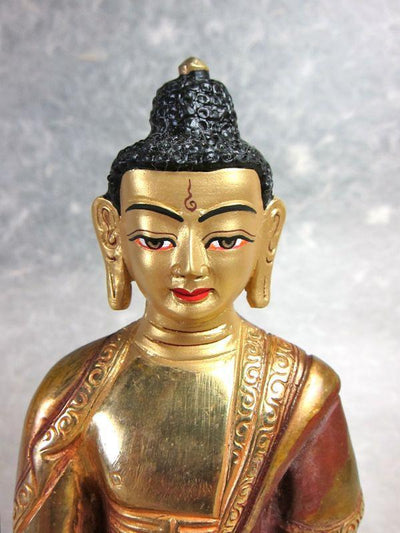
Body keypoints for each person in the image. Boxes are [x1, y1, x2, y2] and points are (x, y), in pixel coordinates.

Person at [14, 58, 363, 533]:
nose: (190, 266)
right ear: (112, 234)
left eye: (226, 239)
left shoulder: (303, 394)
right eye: (155, 239)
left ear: (269, 234)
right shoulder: (68, 397)